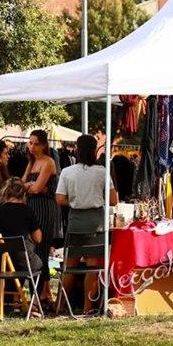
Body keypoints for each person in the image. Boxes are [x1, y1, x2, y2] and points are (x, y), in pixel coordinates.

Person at [55, 134, 118, 315]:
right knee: (93, 267)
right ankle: (87, 308)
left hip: (76, 221)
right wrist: (95, 198)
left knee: (70, 266)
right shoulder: (102, 172)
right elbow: (114, 200)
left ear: (76, 148)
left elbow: (59, 198)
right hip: (96, 222)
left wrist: (76, 201)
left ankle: (61, 305)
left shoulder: (67, 172)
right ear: (94, 150)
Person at [23, 129, 62, 302]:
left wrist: (31, 186)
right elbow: (22, 184)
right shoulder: (32, 162)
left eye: (35, 143)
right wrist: (30, 185)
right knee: (36, 249)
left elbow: (37, 188)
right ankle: (44, 292)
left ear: (44, 145)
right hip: (32, 207)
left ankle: (41, 293)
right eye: (30, 143)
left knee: (41, 249)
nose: (32, 147)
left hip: (45, 208)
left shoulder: (48, 162)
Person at [0, 177, 43, 279]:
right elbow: (38, 238)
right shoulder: (27, 211)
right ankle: (19, 294)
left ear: (5, 194)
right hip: (20, 265)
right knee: (38, 264)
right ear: (24, 195)